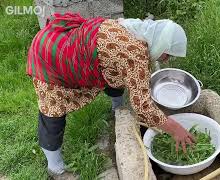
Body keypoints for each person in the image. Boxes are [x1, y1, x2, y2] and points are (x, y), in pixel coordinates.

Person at [26, 13, 195, 178]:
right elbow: (143, 107)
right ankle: (55, 167)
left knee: (115, 73)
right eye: (168, 54)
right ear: (162, 43)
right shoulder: (134, 54)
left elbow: (120, 70)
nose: (166, 60)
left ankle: (117, 109)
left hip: (69, 43)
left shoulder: (136, 28)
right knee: (53, 109)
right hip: (51, 53)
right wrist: (175, 129)